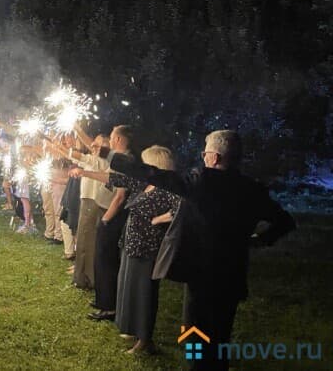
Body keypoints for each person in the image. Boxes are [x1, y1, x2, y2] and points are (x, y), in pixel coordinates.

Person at [105, 130, 296, 370]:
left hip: (202, 273)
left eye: (205, 153)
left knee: (196, 332)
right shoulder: (252, 189)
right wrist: (258, 240)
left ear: (214, 158)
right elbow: (285, 221)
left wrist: (109, 155)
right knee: (221, 333)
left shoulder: (202, 181)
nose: (203, 157)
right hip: (232, 273)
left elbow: (155, 175)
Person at [73, 145, 181, 354]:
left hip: (147, 249)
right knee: (129, 288)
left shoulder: (168, 189)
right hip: (131, 245)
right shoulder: (144, 183)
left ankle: (145, 340)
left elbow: (180, 210)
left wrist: (158, 219)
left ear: (156, 164)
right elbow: (114, 178)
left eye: (145, 163)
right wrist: (84, 172)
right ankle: (132, 328)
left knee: (144, 293)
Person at [73, 125, 134, 322]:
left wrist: (106, 219)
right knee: (100, 259)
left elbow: (120, 195)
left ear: (118, 139)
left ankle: (109, 307)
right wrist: (85, 173)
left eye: (113, 136)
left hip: (112, 216)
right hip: (106, 212)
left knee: (106, 260)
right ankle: (102, 299)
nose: (110, 139)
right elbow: (109, 177)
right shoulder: (118, 160)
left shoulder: (126, 161)